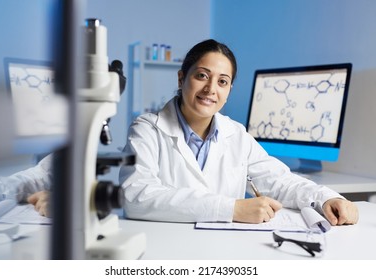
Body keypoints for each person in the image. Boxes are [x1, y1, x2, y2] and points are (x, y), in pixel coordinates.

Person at [119, 39, 359, 225]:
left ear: (229, 89)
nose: (211, 89)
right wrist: (231, 209)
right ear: (182, 78)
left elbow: (279, 181)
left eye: (222, 81)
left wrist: (327, 197)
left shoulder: (235, 134)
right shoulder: (147, 129)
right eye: (202, 75)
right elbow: (135, 197)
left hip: (225, 251)